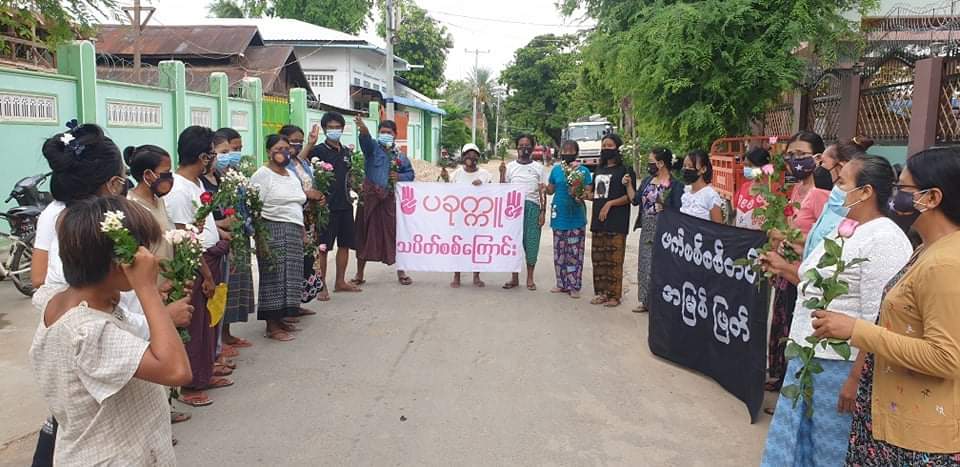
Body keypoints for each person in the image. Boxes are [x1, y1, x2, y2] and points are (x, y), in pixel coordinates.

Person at [29, 123, 188, 466]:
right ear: (118, 263)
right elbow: (176, 370)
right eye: (141, 251)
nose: (147, 258)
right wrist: (146, 289)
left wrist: (160, 311)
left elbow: (129, 325)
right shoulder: (91, 331)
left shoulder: (62, 301)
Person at [809, 148, 960, 464]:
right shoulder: (928, 250)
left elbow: (947, 358)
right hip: (894, 415)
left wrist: (856, 330)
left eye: (902, 189)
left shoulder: (946, 263)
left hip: (918, 439)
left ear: (931, 198)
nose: (893, 196)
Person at [760, 155, 911, 466]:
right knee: (795, 440)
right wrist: (785, 268)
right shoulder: (848, 227)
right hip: (808, 354)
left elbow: (879, 318)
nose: (836, 189)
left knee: (830, 451)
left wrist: (856, 378)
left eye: (842, 182)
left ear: (866, 192)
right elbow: (816, 279)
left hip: (839, 365)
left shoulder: (886, 239)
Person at [124, 144, 194, 425]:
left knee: (170, 339)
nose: (170, 178)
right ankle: (156, 413)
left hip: (170, 281)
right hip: (149, 287)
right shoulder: (132, 208)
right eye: (166, 172)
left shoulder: (159, 200)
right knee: (154, 344)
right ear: (148, 175)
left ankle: (166, 405)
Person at [165, 125, 230, 407]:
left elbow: (205, 225)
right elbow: (186, 238)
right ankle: (190, 384)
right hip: (196, 264)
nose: (216, 159)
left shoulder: (198, 183)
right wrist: (205, 274)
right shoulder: (178, 190)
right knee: (195, 326)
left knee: (208, 324)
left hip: (212, 257)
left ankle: (204, 371)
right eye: (213, 155)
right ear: (203, 157)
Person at [250, 135, 321, 342]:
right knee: (274, 277)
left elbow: (297, 202)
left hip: (293, 229)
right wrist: (260, 239)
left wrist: (301, 233)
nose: (283, 151)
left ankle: (281, 318)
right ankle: (271, 325)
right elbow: (255, 208)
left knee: (290, 276)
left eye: (286, 148)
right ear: (269, 152)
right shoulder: (262, 175)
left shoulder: (290, 175)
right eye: (278, 148)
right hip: (272, 229)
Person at [352, 116, 415, 286]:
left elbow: (410, 174)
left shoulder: (400, 156)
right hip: (370, 199)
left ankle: (401, 272)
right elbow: (365, 139)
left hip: (389, 201)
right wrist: (363, 127)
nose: (385, 135)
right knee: (364, 235)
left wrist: (399, 176)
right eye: (382, 132)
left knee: (394, 235)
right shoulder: (372, 149)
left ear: (395, 134)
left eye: (388, 132)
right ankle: (359, 274)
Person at [308, 112, 359, 300]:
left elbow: (350, 177)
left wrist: (356, 186)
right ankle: (321, 286)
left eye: (338, 127)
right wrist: (309, 144)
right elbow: (301, 166)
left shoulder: (346, 152)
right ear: (324, 129)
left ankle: (340, 281)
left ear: (343, 129)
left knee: (345, 245)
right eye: (331, 127)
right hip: (325, 207)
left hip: (345, 205)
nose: (335, 130)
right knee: (323, 247)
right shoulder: (318, 151)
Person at [625, 147, 683, 312]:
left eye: (651, 162)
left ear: (661, 163)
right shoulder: (647, 181)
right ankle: (645, 301)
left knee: (663, 265)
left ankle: (662, 303)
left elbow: (678, 210)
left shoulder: (674, 185)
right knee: (645, 264)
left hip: (665, 229)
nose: (648, 166)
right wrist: (628, 185)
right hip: (647, 227)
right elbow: (635, 200)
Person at [279, 124, 324, 312]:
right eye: (293, 141)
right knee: (296, 262)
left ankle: (298, 303)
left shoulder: (301, 162)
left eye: (300, 141)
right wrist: (308, 194)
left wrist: (318, 196)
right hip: (295, 218)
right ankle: (289, 306)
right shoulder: (283, 164)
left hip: (309, 217)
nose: (296, 145)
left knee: (307, 261)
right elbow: (290, 187)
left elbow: (307, 179)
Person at [588, 133, 634, 307]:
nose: (606, 149)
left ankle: (614, 295)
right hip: (598, 220)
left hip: (617, 220)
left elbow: (630, 197)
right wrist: (582, 194)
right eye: (604, 146)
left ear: (617, 149)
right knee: (599, 259)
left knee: (614, 259)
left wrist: (610, 204)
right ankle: (601, 293)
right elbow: (594, 194)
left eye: (610, 146)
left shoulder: (625, 171)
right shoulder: (598, 170)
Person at [500, 134, 546, 291]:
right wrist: (501, 173)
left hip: (532, 208)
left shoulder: (539, 168)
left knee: (532, 242)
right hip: (513, 209)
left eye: (527, 145)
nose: (524, 148)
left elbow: (542, 192)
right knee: (513, 244)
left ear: (532, 148)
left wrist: (542, 212)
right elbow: (502, 189)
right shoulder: (510, 167)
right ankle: (514, 278)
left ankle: (530, 278)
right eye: (521, 145)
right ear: (517, 147)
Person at [546, 141, 592, 299]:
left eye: (571, 150)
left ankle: (574, 285)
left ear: (577, 153)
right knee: (559, 252)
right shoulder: (556, 170)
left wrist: (580, 195)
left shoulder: (583, 171)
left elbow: (588, 192)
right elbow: (550, 190)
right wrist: (543, 188)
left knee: (574, 253)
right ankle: (561, 283)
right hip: (559, 216)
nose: (567, 152)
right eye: (564, 150)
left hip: (576, 217)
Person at [449, 143, 492, 288]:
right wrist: (443, 178)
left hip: (479, 218)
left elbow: (494, 193)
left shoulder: (485, 175)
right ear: (463, 156)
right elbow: (446, 192)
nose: (471, 157)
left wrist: (483, 186)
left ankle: (476, 276)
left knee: (477, 246)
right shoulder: (456, 174)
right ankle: (457, 276)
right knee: (459, 246)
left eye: (474, 155)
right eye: (468, 154)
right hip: (460, 217)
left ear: (478, 158)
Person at [679, 149, 723, 223]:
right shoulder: (686, 193)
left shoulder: (711, 196)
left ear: (703, 169)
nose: (686, 169)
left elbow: (718, 228)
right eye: (684, 166)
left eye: (690, 166)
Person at [733, 147, 771, 230]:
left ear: (763, 166)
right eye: (745, 165)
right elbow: (735, 215)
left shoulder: (772, 190)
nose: (747, 169)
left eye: (750, 165)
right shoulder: (744, 187)